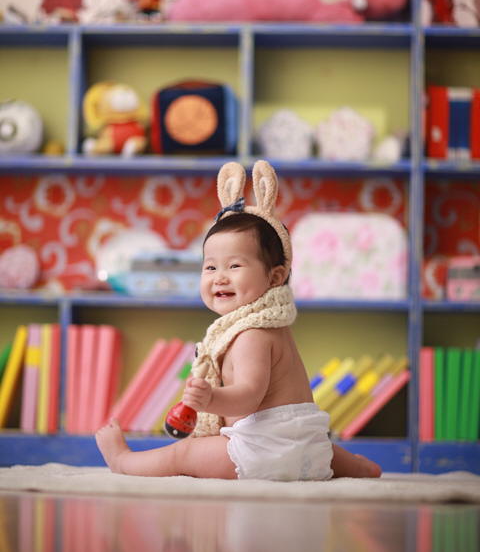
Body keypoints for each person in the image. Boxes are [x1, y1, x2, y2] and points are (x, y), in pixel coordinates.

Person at [96, 161, 381, 480]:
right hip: (308, 444)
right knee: (322, 448)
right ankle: (359, 467)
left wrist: (211, 398)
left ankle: (123, 460)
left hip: (262, 450)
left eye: (234, 266)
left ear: (275, 277)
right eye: (210, 267)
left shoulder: (251, 334)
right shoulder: (274, 326)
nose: (220, 277)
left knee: (184, 454)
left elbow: (249, 396)